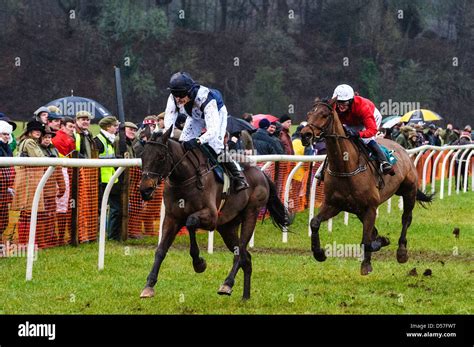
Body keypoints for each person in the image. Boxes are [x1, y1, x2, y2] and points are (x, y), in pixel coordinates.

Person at [164, 71, 248, 192]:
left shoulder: (206, 98)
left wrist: (198, 141)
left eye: (180, 95)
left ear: (189, 91)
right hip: (195, 116)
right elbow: (169, 123)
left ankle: (238, 176)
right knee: (183, 143)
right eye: (175, 95)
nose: (177, 99)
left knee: (215, 146)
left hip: (217, 113)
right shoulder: (174, 97)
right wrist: (166, 138)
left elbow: (212, 130)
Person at [332, 84, 393, 175]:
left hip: (371, 117)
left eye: (344, 102)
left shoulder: (362, 107)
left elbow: (372, 130)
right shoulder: (334, 106)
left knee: (366, 139)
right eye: (339, 102)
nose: (341, 106)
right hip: (351, 121)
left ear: (351, 100)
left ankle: (383, 161)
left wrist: (358, 134)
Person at [94, 116, 121, 240]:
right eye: (114, 126)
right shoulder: (98, 140)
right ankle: (107, 235)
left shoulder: (110, 140)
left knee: (115, 208)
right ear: (107, 127)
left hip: (111, 179)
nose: (116, 128)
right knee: (107, 208)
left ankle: (112, 235)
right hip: (102, 180)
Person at [0, 121, 15, 245]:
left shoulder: (7, 147)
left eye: (8, 134)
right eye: (4, 134)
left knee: (4, 219)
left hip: (5, 188)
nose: (7, 136)